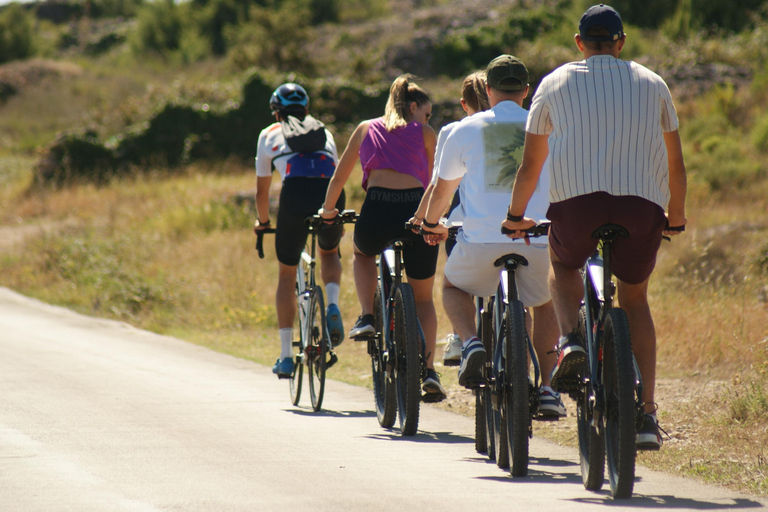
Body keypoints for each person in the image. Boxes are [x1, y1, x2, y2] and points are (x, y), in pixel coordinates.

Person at [501, 4, 688, 448]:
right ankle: (646, 414)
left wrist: (514, 215)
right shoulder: (653, 82)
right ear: (621, 42)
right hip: (642, 208)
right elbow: (676, 165)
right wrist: (675, 217)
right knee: (636, 299)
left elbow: (530, 165)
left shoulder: (553, 83)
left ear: (580, 43)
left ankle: (571, 341)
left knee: (563, 268)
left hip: (577, 208)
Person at [419, 55, 565, 418]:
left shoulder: (460, 129)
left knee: (453, 287)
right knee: (545, 302)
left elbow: (441, 191)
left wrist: (431, 225)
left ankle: (470, 343)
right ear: (527, 91)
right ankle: (547, 389)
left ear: (488, 89)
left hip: (481, 241)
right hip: (539, 240)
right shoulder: (552, 126)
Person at [319, 74, 446, 402]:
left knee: (363, 254)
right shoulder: (427, 133)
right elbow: (433, 183)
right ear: (414, 106)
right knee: (423, 299)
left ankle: (368, 316)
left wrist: (328, 212)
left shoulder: (365, 128)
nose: (427, 119)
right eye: (426, 113)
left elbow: (339, 176)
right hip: (415, 211)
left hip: (377, 208)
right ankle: (429, 370)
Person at [254, 83, 347, 379]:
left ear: (275, 112)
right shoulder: (324, 131)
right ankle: (331, 305)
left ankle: (284, 356)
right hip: (330, 193)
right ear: (306, 110)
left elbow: (262, 192)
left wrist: (264, 222)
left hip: (294, 194)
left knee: (286, 272)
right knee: (329, 251)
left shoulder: (269, 134)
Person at [411, 71, 490, 368]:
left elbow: (437, 184)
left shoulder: (452, 131)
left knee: (457, 280)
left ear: (463, 103)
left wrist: (421, 219)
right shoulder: (506, 127)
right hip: (508, 221)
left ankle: (459, 337)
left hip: (461, 223)